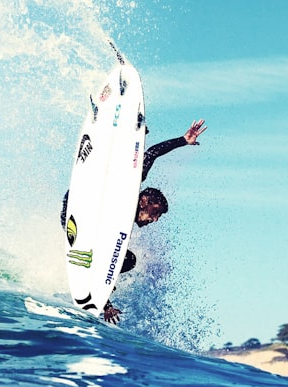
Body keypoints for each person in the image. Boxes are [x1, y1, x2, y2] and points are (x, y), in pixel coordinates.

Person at [62, 119, 207, 323]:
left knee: (127, 259)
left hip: (80, 215)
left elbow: (107, 264)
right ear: (144, 201)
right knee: (122, 257)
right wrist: (182, 140)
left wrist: (184, 140)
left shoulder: (122, 218)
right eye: (155, 212)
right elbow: (151, 154)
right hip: (77, 208)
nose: (155, 219)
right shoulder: (130, 187)